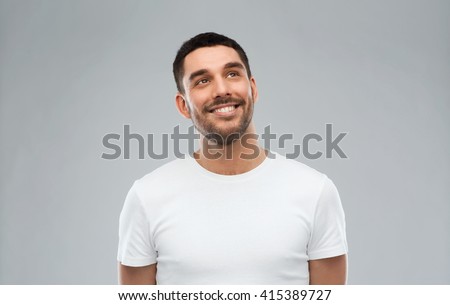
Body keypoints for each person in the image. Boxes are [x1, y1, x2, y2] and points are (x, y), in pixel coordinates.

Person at [117, 32, 348, 285]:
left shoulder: (315, 191)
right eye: (203, 81)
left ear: (253, 88)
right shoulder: (147, 197)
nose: (222, 90)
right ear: (183, 105)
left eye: (232, 74)